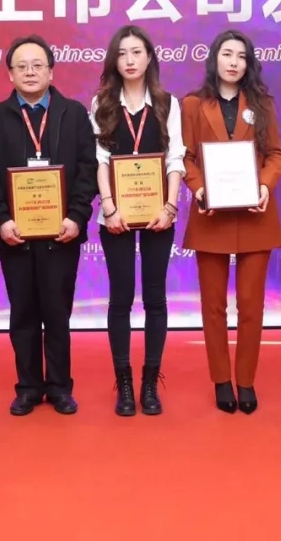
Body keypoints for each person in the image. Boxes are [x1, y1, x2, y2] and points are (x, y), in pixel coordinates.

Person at [0, 35, 98, 416]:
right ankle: (28, 387)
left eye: (37, 65)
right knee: (23, 314)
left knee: (58, 314)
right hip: (16, 236)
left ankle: (60, 387)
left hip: (62, 235)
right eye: (21, 66)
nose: (30, 72)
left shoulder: (74, 114)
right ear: (10, 74)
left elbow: (88, 170)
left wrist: (76, 216)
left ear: (51, 71)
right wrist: (2, 220)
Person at [181, 29, 281, 415]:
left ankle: (246, 380)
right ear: (215, 58)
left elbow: (275, 154)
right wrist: (199, 189)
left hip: (255, 214)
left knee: (251, 306)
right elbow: (186, 157)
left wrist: (264, 186)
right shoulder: (192, 104)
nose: (234, 62)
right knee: (213, 307)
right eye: (227, 54)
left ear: (249, 64)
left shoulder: (262, 104)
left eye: (241, 56)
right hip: (211, 215)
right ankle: (222, 380)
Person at [90, 25, 185, 416]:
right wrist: (109, 207)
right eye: (122, 53)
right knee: (120, 299)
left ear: (149, 58)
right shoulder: (101, 103)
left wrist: (170, 207)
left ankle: (150, 382)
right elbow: (100, 160)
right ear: (114, 60)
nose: (129, 60)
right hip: (116, 215)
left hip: (159, 213)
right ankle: (125, 384)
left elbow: (175, 159)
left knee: (156, 299)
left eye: (137, 52)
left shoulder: (167, 103)